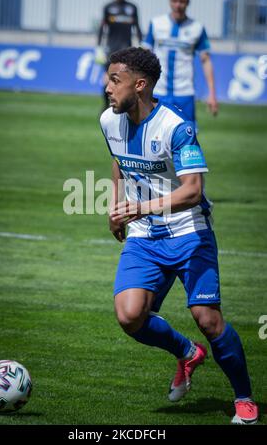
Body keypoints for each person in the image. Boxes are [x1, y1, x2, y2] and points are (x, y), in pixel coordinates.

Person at [99, 47, 258, 425]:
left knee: (208, 318)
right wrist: (116, 206)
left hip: (189, 233)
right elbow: (118, 162)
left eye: (114, 80)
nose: (106, 87)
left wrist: (141, 208)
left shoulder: (176, 127)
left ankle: (244, 398)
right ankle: (186, 353)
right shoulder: (109, 120)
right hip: (144, 237)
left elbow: (192, 191)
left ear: (140, 85)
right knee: (129, 316)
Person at [143, 0, 218, 124]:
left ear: (188, 2)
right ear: (170, 1)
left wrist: (212, 94)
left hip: (185, 93)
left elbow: (206, 60)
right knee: (155, 138)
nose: (178, 5)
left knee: (186, 139)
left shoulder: (197, 28)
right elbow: (144, 55)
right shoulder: (156, 23)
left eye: (182, 1)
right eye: (174, 0)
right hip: (158, 91)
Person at [96, 0, 142, 110]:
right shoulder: (108, 7)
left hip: (127, 51)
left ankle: (124, 106)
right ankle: (106, 106)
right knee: (108, 80)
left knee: (126, 80)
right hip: (111, 51)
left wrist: (142, 44)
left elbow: (137, 28)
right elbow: (102, 28)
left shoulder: (132, 8)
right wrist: (99, 47)